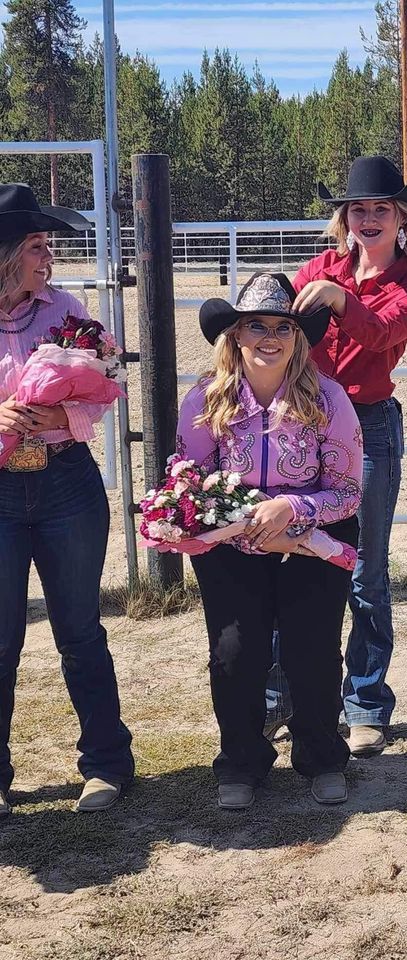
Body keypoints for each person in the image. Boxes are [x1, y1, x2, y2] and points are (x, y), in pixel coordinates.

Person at [266, 155, 407, 757]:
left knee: (365, 571)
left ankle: (365, 701)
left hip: (368, 426)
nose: (367, 218)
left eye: (380, 210)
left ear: (401, 220)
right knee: (295, 560)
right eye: (358, 209)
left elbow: (380, 335)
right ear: (344, 217)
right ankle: (283, 698)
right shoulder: (320, 268)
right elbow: (278, 326)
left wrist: (338, 299)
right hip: (307, 425)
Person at [176, 272, 363, 809]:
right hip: (234, 542)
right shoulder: (205, 402)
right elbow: (190, 483)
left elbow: (348, 492)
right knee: (235, 650)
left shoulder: (329, 400)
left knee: (312, 648)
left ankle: (322, 756)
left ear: (298, 336)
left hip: (316, 538)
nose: (269, 336)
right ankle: (240, 759)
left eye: (282, 326)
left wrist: (292, 509)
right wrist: (244, 519)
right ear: (233, 334)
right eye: (254, 324)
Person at [0, 183, 134, 816]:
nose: (47, 253)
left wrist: (60, 411)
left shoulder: (66, 310)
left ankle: (106, 764)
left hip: (64, 482)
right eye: (35, 243)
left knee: (79, 631)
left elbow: (108, 382)